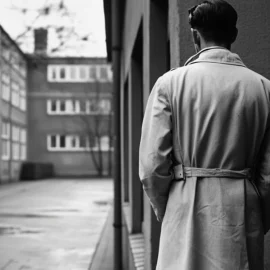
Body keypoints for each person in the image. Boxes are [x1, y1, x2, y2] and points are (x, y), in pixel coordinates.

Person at [139, 0, 270, 269]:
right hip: (242, 208)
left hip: (184, 204)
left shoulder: (170, 83)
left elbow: (152, 166)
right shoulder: (264, 88)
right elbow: (269, 176)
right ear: (233, 35)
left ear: (194, 35)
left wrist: (170, 209)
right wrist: (257, 214)